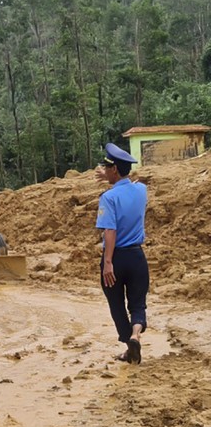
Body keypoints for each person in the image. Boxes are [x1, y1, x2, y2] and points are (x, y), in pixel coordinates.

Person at [95, 143, 149, 364]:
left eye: (107, 168)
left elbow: (110, 231)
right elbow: (128, 187)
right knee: (137, 303)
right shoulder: (141, 190)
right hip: (137, 257)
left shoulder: (108, 198)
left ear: (114, 169)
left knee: (117, 305)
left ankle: (129, 345)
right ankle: (135, 335)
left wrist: (108, 262)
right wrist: (110, 179)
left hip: (116, 258)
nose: (105, 171)